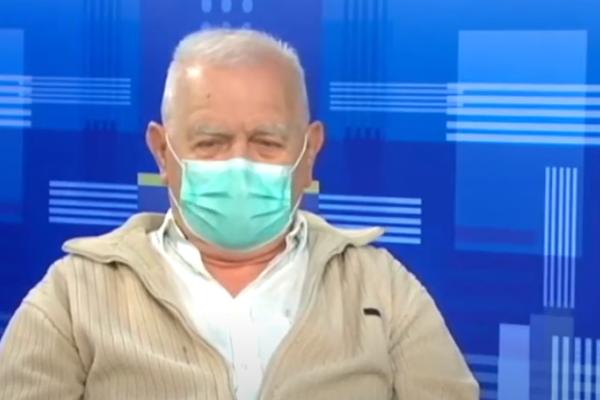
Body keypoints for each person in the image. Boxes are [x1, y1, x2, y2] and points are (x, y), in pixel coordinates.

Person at [0, 28, 478, 400]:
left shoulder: (383, 290)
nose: (240, 164)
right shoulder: (72, 296)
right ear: (162, 152)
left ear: (309, 152)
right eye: (211, 142)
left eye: (267, 142)